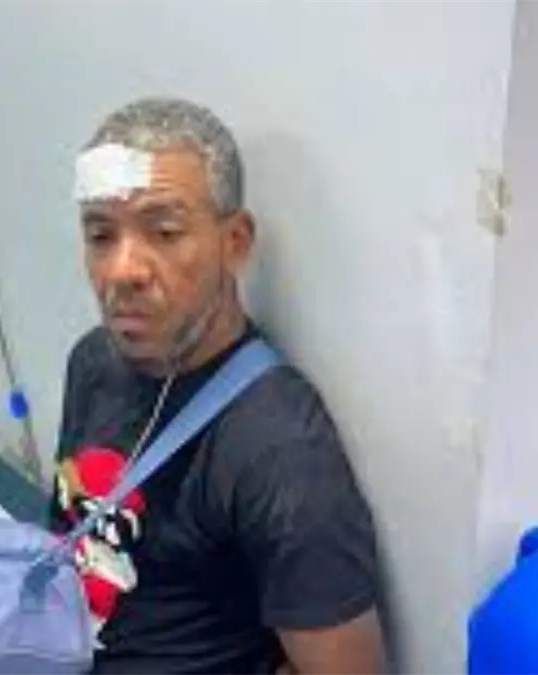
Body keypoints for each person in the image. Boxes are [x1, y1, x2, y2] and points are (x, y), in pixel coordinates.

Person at [48, 97, 387, 675]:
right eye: (101, 235)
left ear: (235, 242)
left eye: (164, 231)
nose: (122, 271)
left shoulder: (279, 451)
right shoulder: (94, 361)